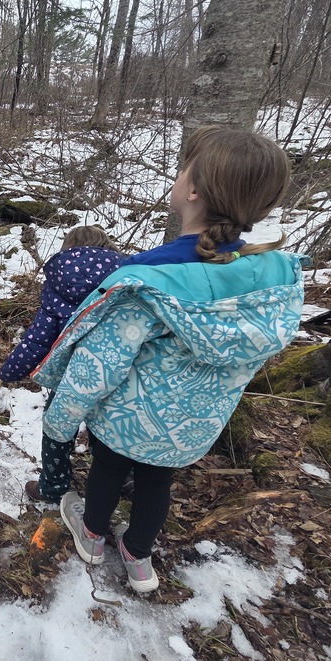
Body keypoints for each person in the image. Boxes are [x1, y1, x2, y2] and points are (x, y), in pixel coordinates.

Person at [32, 125, 305, 594]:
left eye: (183, 170)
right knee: (157, 484)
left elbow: (98, 366)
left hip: (125, 421)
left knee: (107, 470)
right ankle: (139, 557)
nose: (177, 177)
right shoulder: (270, 282)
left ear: (193, 190)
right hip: (191, 427)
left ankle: (93, 535)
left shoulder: (147, 281)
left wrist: (60, 420)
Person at [0, 225, 124, 384]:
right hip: (128, 364)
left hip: (79, 374)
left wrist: (8, 373)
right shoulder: (128, 272)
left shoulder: (58, 282)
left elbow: (38, 339)